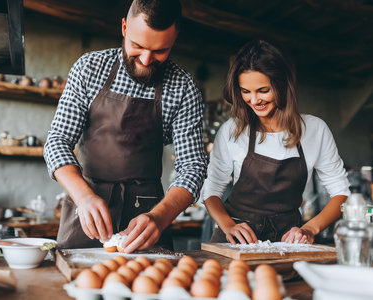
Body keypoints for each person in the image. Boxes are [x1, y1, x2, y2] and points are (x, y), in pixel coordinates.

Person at [44, 0, 207, 253]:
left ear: (175, 38)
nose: (146, 59)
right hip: (86, 211)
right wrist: (84, 197)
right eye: (137, 46)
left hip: (148, 217)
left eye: (160, 51)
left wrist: (160, 217)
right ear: (124, 27)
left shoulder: (184, 88)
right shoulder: (90, 68)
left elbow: (193, 166)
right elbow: (57, 142)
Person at [201, 40, 350, 244]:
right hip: (236, 241)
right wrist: (228, 225)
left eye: (263, 90)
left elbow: (341, 193)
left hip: (288, 242)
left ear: (283, 85)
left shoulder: (315, 130)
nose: (254, 100)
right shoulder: (232, 130)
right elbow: (211, 190)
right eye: (246, 91)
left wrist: (309, 229)